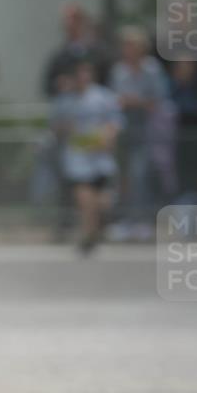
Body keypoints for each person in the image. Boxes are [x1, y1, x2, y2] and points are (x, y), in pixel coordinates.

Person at [51, 57, 123, 255]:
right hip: (78, 157)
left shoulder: (104, 97)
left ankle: (96, 230)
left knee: (102, 201)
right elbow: (56, 126)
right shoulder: (65, 100)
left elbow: (114, 123)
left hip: (100, 156)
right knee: (84, 197)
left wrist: (107, 137)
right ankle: (88, 235)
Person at [109, 26, 169, 241]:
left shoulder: (152, 70)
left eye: (132, 45)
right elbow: (115, 101)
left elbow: (158, 101)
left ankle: (143, 220)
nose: (128, 50)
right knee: (122, 178)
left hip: (147, 130)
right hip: (124, 129)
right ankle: (125, 220)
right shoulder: (119, 71)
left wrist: (134, 101)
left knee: (140, 175)